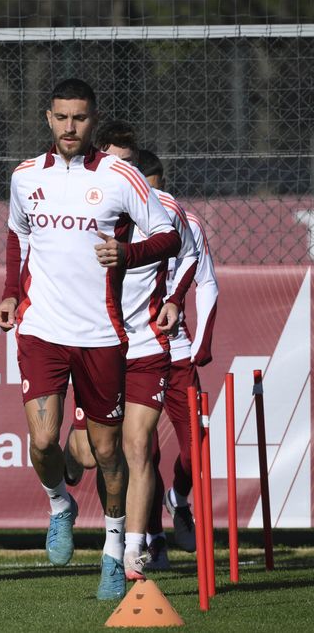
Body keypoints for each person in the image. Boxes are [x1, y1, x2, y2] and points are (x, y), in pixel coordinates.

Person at [0, 80, 180, 600]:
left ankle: (114, 552)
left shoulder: (122, 176)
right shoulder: (26, 176)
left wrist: (128, 255)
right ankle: (60, 504)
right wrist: (10, 294)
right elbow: (17, 235)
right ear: (47, 118)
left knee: (105, 451)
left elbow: (169, 235)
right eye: (61, 117)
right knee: (45, 441)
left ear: (92, 120)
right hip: (41, 329)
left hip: (101, 334)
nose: (70, 127)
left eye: (79, 118)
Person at [60, 140, 198, 582]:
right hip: (98, 342)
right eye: (109, 160)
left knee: (137, 447)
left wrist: (175, 298)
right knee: (89, 454)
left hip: (146, 345)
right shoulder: (81, 205)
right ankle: (64, 459)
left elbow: (191, 250)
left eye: (124, 162)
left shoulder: (164, 208)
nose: (115, 169)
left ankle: (131, 552)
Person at [143, 150, 219, 567]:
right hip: (134, 352)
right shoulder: (119, 220)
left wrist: (202, 341)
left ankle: (180, 496)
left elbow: (206, 281)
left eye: (157, 192)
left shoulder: (184, 221)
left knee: (196, 448)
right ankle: (153, 537)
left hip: (177, 352)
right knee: (143, 451)